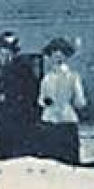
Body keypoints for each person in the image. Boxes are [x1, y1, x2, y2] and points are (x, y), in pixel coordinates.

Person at [0, 31, 41, 160]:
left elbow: (32, 96)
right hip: (1, 124)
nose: (5, 57)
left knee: (20, 160)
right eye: (1, 53)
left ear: (14, 53)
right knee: (3, 159)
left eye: (8, 53)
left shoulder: (25, 71)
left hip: (21, 123)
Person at [37, 36, 87, 165]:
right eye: (54, 55)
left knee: (68, 161)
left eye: (61, 55)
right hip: (50, 121)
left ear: (66, 57)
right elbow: (41, 99)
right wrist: (47, 102)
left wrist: (68, 103)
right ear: (50, 57)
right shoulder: (46, 78)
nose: (58, 59)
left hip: (66, 121)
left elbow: (80, 101)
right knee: (51, 162)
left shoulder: (73, 77)